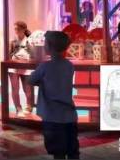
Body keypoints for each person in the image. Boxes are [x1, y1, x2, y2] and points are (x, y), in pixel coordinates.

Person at [29, 31, 79, 160]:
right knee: (73, 151)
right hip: (69, 115)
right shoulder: (69, 65)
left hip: (52, 117)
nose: (43, 45)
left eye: (45, 43)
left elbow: (31, 80)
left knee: (58, 152)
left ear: (50, 47)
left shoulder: (44, 67)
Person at [9, 21, 34, 117]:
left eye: (18, 29)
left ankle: (29, 106)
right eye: (15, 29)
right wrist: (13, 57)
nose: (16, 31)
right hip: (14, 67)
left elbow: (33, 55)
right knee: (15, 89)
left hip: (26, 67)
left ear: (24, 29)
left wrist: (26, 58)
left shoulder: (29, 41)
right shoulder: (12, 41)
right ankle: (18, 109)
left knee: (27, 89)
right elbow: (9, 54)